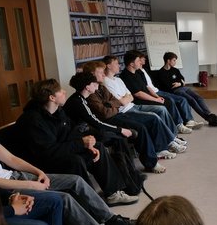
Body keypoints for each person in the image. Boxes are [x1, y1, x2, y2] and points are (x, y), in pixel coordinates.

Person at [0, 80, 135, 225]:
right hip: (2, 189)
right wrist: (30, 184)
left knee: (76, 181)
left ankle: (109, 219)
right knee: (64, 198)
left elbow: (10, 158)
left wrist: (37, 173)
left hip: (15, 176)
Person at [15, 78, 139, 206]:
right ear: (52, 98)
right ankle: (91, 203)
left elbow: (71, 133)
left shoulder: (58, 111)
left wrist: (88, 144)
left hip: (59, 151)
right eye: (60, 91)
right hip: (40, 162)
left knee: (98, 147)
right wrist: (81, 143)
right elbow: (48, 152)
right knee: (75, 161)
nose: (64, 92)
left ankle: (113, 193)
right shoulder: (33, 120)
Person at [114, 52, 198, 134]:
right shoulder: (126, 76)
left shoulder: (137, 73)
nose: (141, 62)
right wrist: (156, 99)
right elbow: (138, 94)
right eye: (138, 60)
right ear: (132, 64)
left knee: (168, 100)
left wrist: (157, 96)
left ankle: (178, 126)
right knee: (166, 104)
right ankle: (175, 128)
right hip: (140, 100)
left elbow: (147, 87)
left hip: (148, 96)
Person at [154, 51, 217, 125]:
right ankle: (208, 118)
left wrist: (179, 83)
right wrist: (180, 83)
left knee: (199, 98)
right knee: (192, 100)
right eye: (174, 60)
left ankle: (209, 114)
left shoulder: (175, 70)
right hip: (175, 91)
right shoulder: (161, 73)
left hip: (184, 88)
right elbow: (169, 86)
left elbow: (182, 79)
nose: (175, 62)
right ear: (168, 61)